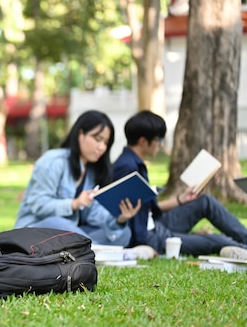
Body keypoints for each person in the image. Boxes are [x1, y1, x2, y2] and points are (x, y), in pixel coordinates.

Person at [112, 110, 247, 258]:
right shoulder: (127, 167)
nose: (160, 145)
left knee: (205, 201)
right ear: (143, 141)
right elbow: (128, 215)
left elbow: (147, 208)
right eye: (160, 140)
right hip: (152, 236)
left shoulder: (134, 163)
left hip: (157, 222)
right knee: (219, 241)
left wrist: (180, 200)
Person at [14, 110, 141, 247]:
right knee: (59, 224)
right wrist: (74, 203)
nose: (101, 147)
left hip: (71, 233)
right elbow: (39, 205)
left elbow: (95, 216)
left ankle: (89, 250)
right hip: (36, 230)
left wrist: (120, 219)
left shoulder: (94, 171)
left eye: (106, 143)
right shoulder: (53, 161)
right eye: (97, 139)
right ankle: (95, 251)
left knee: (123, 233)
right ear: (80, 134)